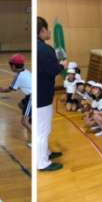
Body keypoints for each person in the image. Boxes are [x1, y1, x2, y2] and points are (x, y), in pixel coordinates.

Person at [37, 16, 66, 172]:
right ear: (42, 31)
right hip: (42, 96)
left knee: (42, 128)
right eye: (47, 29)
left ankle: (46, 152)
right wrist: (62, 65)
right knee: (43, 130)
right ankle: (42, 162)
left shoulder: (38, 47)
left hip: (40, 94)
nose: (49, 32)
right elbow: (53, 70)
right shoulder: (45, 49)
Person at [0, 54, 32, 146]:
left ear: (13, 66)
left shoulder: (19, 76)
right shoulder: (26, 71)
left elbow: (11, 89)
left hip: (32, 97)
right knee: (20, 105)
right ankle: (30, 116)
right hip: (29, 96)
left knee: (24, 121)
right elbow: (18, 87)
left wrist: (2, 90)